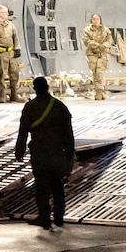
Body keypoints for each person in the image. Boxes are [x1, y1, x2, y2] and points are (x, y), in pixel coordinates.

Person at [13, 75, 75, 228]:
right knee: (57, 185)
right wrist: (69, 155)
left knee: (41, 186)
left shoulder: (30, 107)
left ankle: (44, 217)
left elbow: (23, 131)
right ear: (47, 87)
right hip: (57, 152)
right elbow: (68, 133)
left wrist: (19, 150)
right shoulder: (60, 106)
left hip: (39, 153)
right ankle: (59, 216)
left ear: (35, 89)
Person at [80, 13, 113, 100]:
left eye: (97, 19)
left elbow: (109, 40)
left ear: (100, 20)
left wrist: (104, 46)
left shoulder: (105, 30)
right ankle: (99, 90)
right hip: (92, 53)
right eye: (94, 19)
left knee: (100, 71)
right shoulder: (87, 30)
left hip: (103, 53)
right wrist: (98, 46)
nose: (96, 21)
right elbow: (86, 41)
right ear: (91, 20)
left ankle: (99, 90)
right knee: (95, 72)